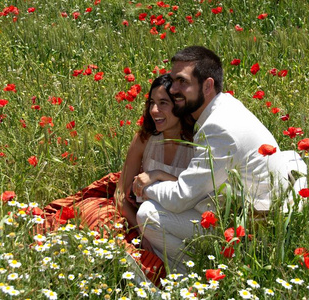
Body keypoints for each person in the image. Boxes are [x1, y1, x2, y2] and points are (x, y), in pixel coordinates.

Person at [134, 46, 297, 272]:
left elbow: (181, 198)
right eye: (172, 81)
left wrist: (147, 186)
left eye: (182, 82)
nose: (173, 90)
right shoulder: (225, 107)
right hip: (240, 211)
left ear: (207, 85)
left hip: (252, 226)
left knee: (148, 214)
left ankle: (192, 274)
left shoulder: (219, 128)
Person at [41, 74, 194, 284]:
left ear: (179, 105)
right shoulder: (145, 138)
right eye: (152, 103)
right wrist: (141, 232)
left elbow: (193, 190)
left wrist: (158, 175)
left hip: (175, 221)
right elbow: (121, 194)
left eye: (163, 104)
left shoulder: (196, 143)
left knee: (155, 268)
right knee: (95, 222)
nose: (154, 111)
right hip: (136, 216)